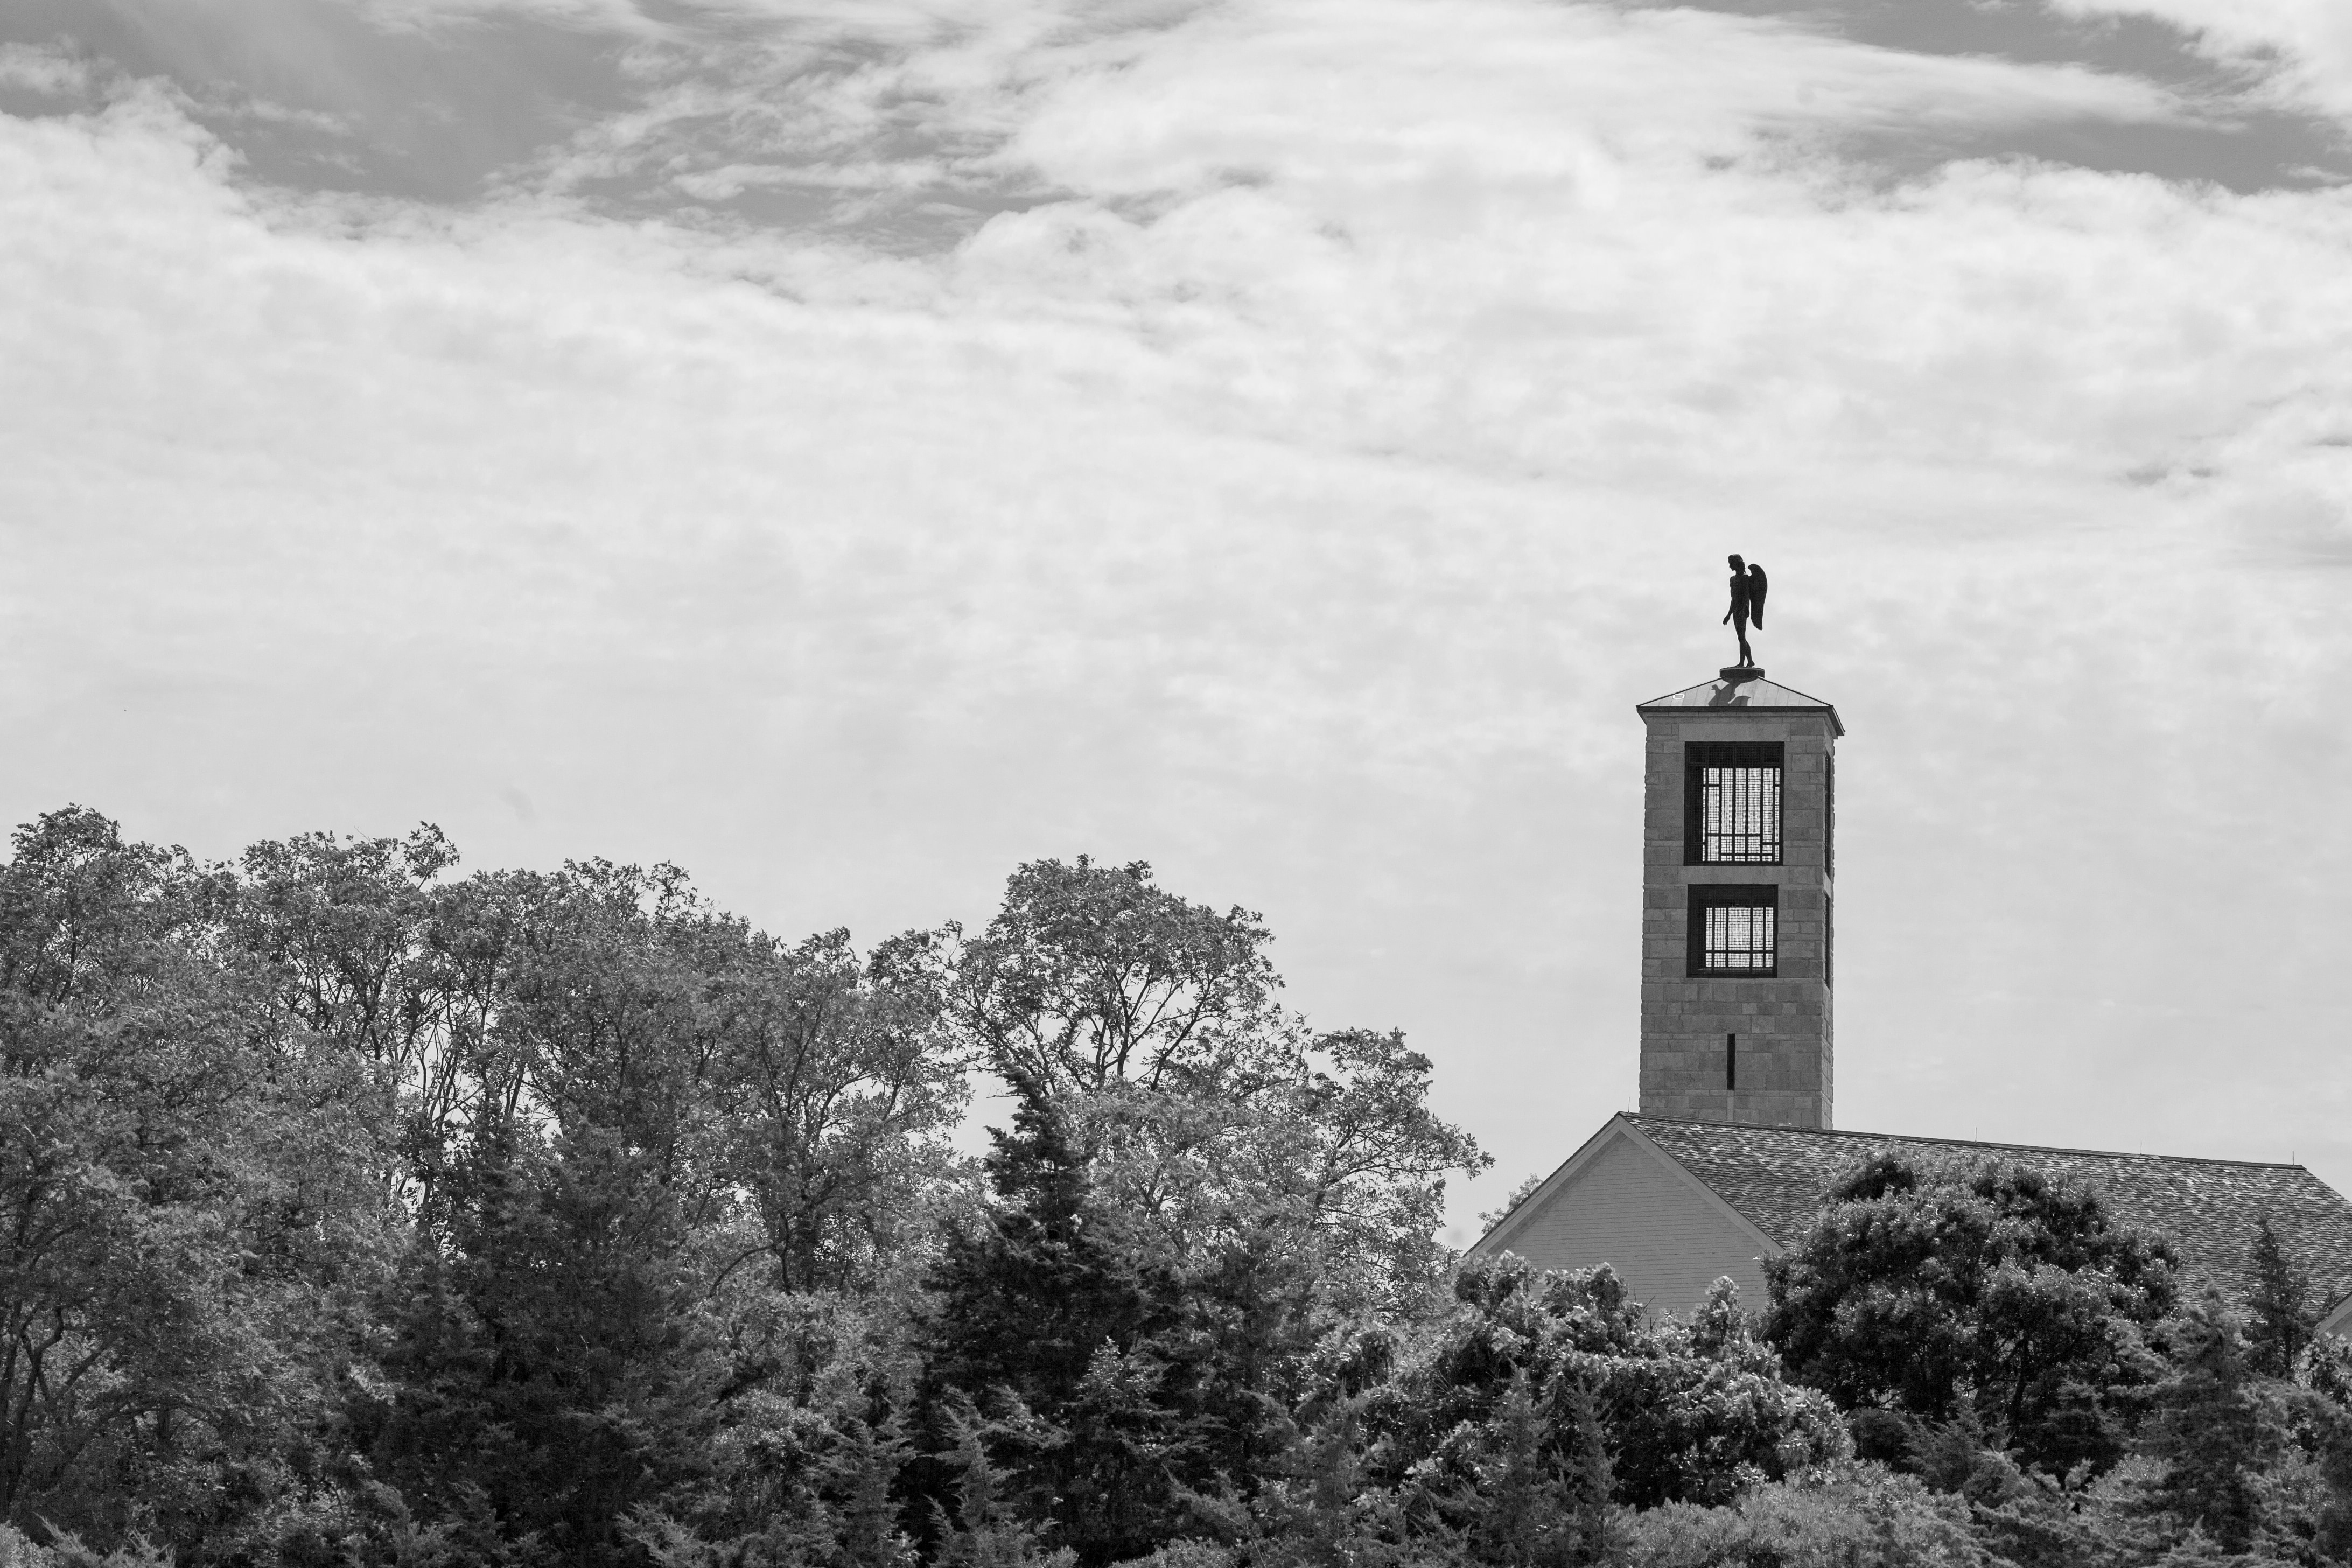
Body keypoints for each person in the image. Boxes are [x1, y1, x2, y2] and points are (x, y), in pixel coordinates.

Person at [1723, 555, 1767, 668]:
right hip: (1736, 610)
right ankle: (1750, 661)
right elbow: (1733, 599)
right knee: (1741, 637)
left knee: (1741, 637)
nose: (1730, 566)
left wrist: (1746, 608)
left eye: (1731, 563)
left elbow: (1747, 596)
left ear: (1736, 563)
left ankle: (1742, 663)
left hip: (1742, 610)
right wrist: (1728, 614)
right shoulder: (1733, 579)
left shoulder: (1745, 578)